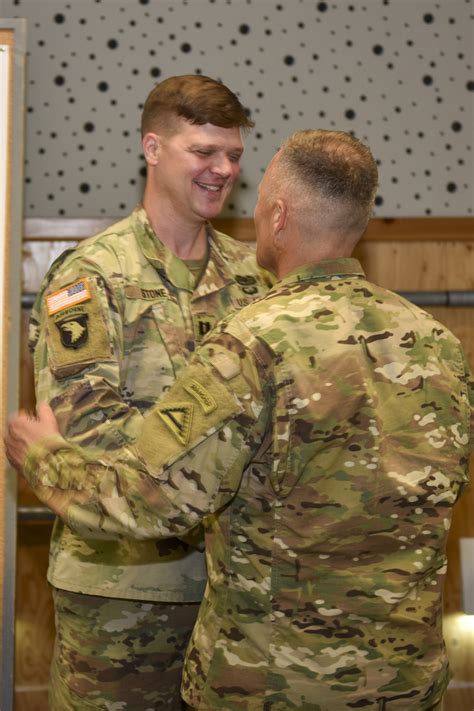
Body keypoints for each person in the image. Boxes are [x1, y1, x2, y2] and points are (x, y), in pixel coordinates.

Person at [7, 129, 472, 710]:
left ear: (278, 216)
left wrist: (45, 458)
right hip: (406, 680)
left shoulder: (252, 342)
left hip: (273, 682)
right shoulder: (436, 342)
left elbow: (152, 498)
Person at [22, 74, 272, 710]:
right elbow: (88, 435)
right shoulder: (88, 276)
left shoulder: (255, 279)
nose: (222, 169)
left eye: (234, 155)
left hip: (235, 590)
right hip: (124, 588)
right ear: (154, 148)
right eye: (203, 152)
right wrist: (221, 463)